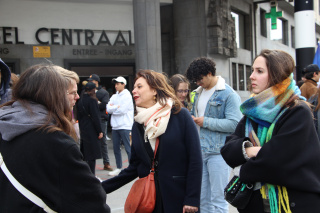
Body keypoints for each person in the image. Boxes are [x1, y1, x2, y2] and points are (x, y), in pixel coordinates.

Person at [0, 64, 110, 213]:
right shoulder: (56, 143)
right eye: (71, 92)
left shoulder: (5, 126)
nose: (77, 97)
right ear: (54, 95)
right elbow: (94, 204)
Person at [221, 49, 320, 213]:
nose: (252, 76)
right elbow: (227, 149)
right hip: (256, 203)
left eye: (259, 71)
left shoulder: (297, 111)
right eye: (253, 70)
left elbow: (275, 162)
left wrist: (242, 169)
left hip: (291, 203)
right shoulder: (253, 110)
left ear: (277, 75)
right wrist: (251, 150)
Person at [102, 70, 202, 212]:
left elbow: (195, 160)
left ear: (154, 90)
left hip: (178, 197)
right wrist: (101, 188)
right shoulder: (138, 123)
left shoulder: (180, 115)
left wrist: (192, 198)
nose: (134, 91)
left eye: (139, 87)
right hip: (149, 199)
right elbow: (135, 167)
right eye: (134, 87)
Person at [186, 57, 242, 213]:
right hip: (200, 151)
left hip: (219, 153)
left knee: (218, 201)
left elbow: (235, 124)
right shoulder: (197, 93)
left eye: (199, 79)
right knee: (202, 200)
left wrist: (206, 122)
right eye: (195, 80)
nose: (197, 83)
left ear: (209, 73)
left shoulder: (229, 94)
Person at [106, 76, 134, 176]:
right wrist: (115, 108)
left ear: (123, 84)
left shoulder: (127, 96)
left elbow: (122, 110)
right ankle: (119, 167)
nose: (116, 85)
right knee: (116, 148)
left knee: (128, 148)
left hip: (125, 126)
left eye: (118, 83)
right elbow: (108, 108)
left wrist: (113, 109)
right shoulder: (114, 96)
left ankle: (132, 167)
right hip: (115, 126)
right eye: (115, 84)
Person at [77, 82, 104, 175]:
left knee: (85, 154)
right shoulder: (92, 100)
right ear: (93, 90)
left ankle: (85, 174)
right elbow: (96, 117)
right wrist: (99, 131)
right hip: (91, 128)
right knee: (92, 154)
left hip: (83, 127)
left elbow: (78, 116)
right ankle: (92, 175)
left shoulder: (80, 100)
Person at [88, 74, 113, 171]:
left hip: (101, 119)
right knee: (90, 141)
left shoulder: (104, 92)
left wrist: (93, 106)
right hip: (91, 119)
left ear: (96, 81)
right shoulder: (89, 91)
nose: (90, 82)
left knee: (103, 142)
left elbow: (104, 105)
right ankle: (89, 164)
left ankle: (106, 163)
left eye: (92, 81)